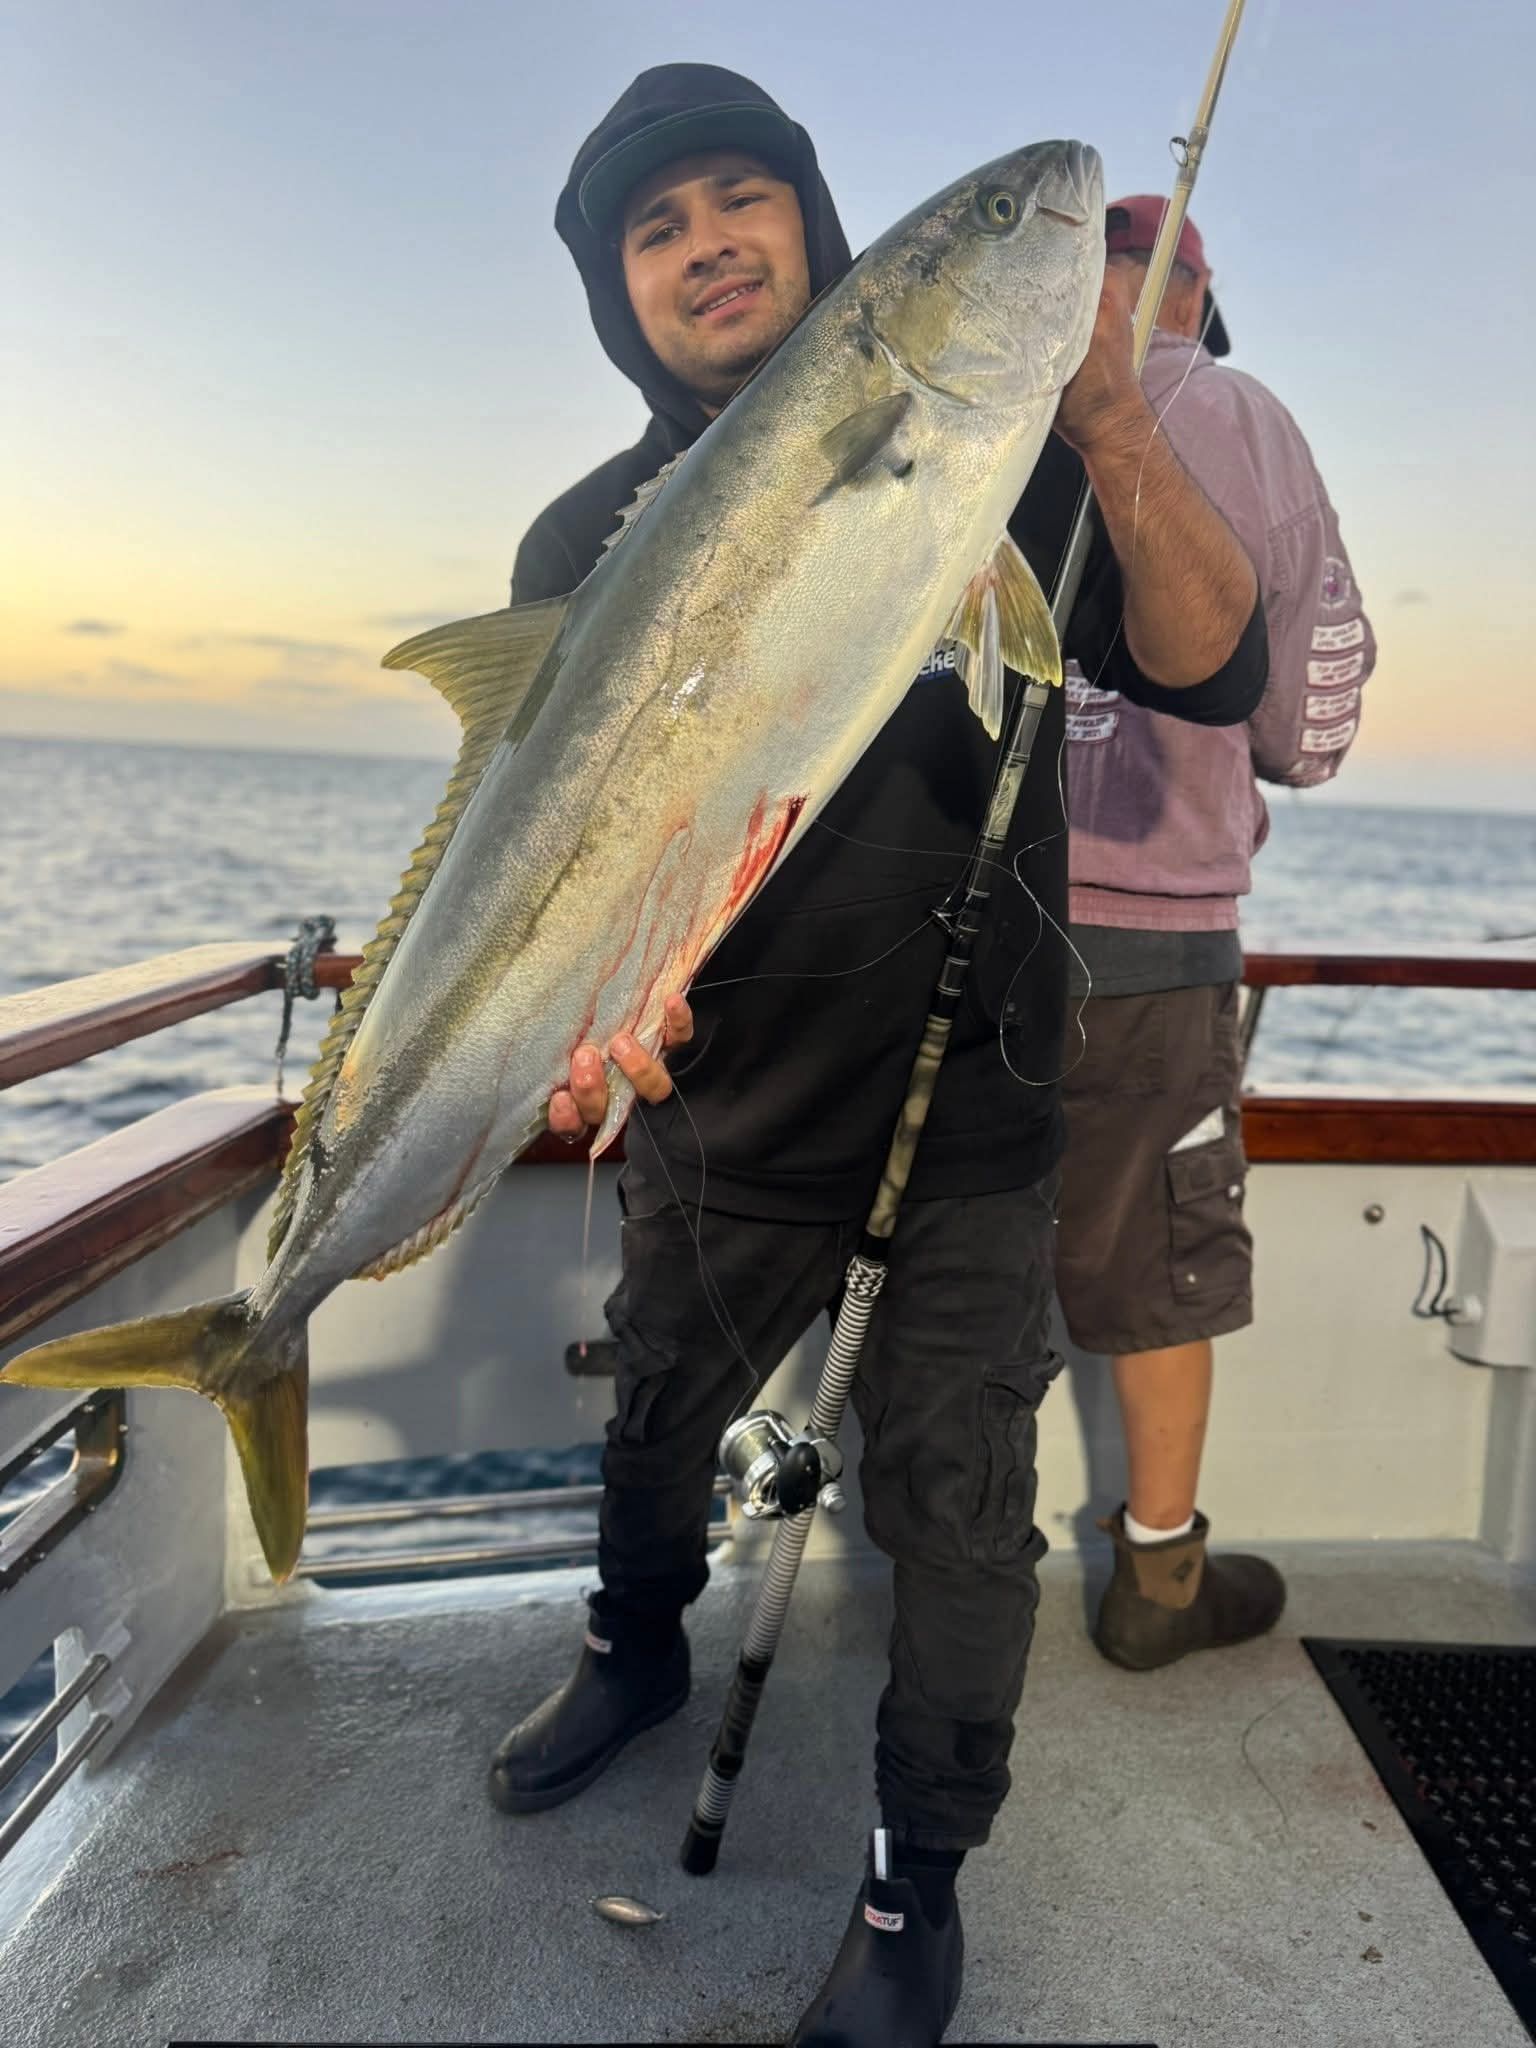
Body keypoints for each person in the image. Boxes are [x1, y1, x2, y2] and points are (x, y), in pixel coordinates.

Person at [487, 70, 1268, 2047]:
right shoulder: (580, 537)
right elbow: (548, 849)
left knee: (959, 1512)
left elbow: (1213, 664)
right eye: (656, 229)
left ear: (818, 231)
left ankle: (921, 1877)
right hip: (717, 1115)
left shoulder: (1004, 449)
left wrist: (1096, 410)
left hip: (971, 1113)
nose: (707, 245)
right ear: (617, 291)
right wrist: (596, 992)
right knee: (656, 1422)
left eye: (743, 198)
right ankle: (632, 1647)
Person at [1055, 196, 1376, 1673]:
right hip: (1156, 945)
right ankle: (1158, 1583)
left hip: (959, 927)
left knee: (962, 1258)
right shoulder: (1241, 410)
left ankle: (957, 1560)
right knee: (1155, 1265)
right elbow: (1309, 730)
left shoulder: (999, 417)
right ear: (1198, 281)